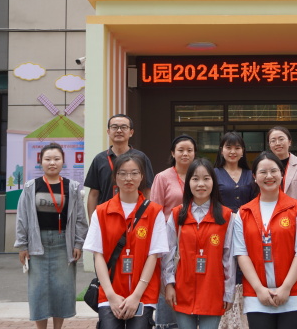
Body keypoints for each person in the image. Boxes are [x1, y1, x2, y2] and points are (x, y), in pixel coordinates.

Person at [83, 152, 169, 329]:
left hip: (143, 293)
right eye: (122, 173)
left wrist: (136, 296)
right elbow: (98, 255)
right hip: (110, 291)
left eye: (134, 173)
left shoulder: (155, 212)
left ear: (142, 176)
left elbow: (153, 256)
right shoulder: (101, 211)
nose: (128, 178)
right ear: (115, 177)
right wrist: (110, 295)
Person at [233, 151, 297, 329]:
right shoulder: (244, 212)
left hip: (295, 294)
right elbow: (241, 254)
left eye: (273, 171)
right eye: (263, 172)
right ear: (254, 176)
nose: (269, 176)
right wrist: (259, 289)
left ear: (282, 174)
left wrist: (286, 287)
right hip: (257, 296)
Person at [15, 142, 88, 329]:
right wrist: (22, 245)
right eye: (47, 159)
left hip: (64, 243)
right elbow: (22, 217)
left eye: (57, 159)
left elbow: (80, 219)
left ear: (63, 161)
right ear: (41, 162)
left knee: (61, 290)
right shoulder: (31, 187)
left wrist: (78, 244)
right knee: (38, 291)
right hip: (37, 244)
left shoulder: (72, 187)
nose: (52, 162)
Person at [162, 158, 236, 329]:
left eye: (206, 178)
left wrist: (229, 291)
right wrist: (169, 284)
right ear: (188, 183)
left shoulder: (226, 216)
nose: (201, 184)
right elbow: (167, 254)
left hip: (213, 290)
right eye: (195, 179)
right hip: (182, 290)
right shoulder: (177, 214)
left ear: (213, 182)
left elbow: (229, 258)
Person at [150, 134, 197, 328]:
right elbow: (155, 212)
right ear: (173, 153)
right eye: (181, 150)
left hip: (195, 239)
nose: (185, 154)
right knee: (168, 282)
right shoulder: (162, 177)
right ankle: (166, 324)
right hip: (170, 240)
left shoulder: (200, 175)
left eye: (189, 150)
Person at [214, 132, 256, 329]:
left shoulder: (250, 174)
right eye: (228, 147)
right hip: (221, 229)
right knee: (224, 264)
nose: (233, 151)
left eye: (237, 148)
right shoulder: (214, 173)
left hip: (248, 230)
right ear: (221, 150)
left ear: (243, 151)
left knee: (246, 263)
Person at [85, 114, 155, 220]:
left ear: (131, 132)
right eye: (114, 127)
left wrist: (146, 217)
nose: (119, 130)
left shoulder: (141, 158)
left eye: (123, 127)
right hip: (106, 217)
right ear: (108, 132)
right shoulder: (99, 159)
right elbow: (94, 194)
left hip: (135, 217)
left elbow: (147, 190)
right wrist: (92, 221)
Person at [267, 126, 297, 202]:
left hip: (296, 208)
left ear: (289, 142)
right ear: (269, 145)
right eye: (273, 141)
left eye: (281, 139)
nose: (277, 143)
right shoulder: (265, 166)